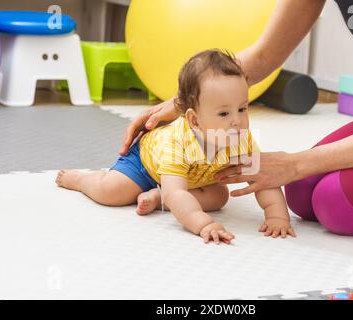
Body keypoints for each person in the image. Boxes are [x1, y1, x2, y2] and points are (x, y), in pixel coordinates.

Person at [120, 0, 353, 237]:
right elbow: (264, 56)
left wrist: (294, 162)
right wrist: (181, 103)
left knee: (337, 204)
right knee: (300, 191)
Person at [56, 49, 296, 244]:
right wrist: (203, 223)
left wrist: (277, 216)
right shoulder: (179, 142)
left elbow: (262, 180)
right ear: (194, 120)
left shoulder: (240, 137)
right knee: (112, 191)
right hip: (146, 165)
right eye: (224, 113)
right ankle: (81, 180)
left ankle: (160, 197)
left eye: (242, 109)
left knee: (220, 196)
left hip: (193, 179)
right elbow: (178, 193)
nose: (237, 120)